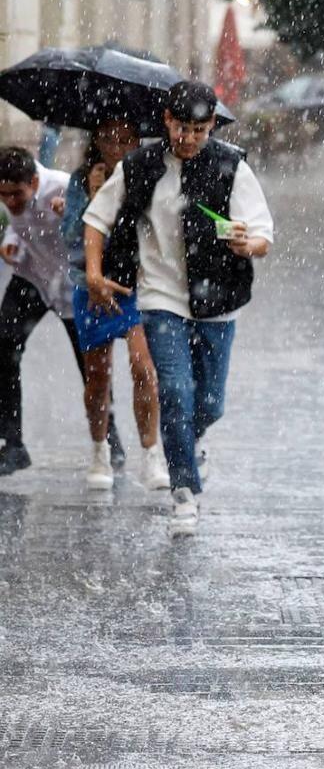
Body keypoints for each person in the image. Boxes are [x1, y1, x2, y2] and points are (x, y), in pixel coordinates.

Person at [82, 81, 273, 538]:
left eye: (199, 130)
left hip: (219, 301)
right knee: (173, 390)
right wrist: (93, 272)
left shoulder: (231, 165)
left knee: (209, 403)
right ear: (167, 120)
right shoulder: (140, 165)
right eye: (182, 128)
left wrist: (249, 244)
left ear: (211, 127)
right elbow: (97, 218)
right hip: (160, 297)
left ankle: (187, 441)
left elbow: (263, 233)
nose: (188, 138)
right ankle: (184, 493)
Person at [0, 146, 124, 476]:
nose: (10, 202)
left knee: (92, 365)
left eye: (17, 194)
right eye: (3, 196)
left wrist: (72, 212)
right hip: (33, 276)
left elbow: (100, 225)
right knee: (4, 346)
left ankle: (110, 439)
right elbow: (19, 222)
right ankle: (12, 444)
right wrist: (12, 239)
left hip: (72, 285)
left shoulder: (65, 187)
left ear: (36, 181)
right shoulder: (13, 196)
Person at [61, 119, 170, 491]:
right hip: (92, 286)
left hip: (136, 285)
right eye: (107, 139)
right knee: (97, 377)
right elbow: (71, 236)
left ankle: (151, 453)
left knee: (144, 369)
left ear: (137, 141)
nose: (116, 146)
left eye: (125, 139)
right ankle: (99, 449)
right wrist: (93, 196)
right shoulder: (81, 179)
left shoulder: (147, 174)